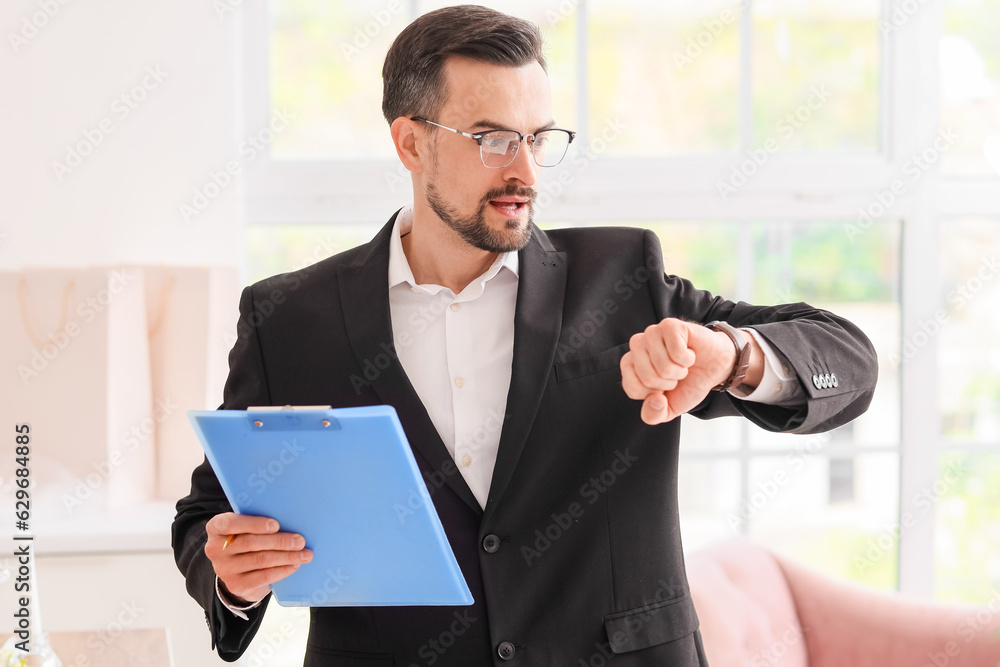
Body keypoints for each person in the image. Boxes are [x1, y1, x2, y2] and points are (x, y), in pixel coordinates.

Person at [172, 5, 877, 665]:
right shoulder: (291, 316)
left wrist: (731, 355)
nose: (526, 170)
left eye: (539, 137)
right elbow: (210, 512)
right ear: (410, 143)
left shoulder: (623, 276)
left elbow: (849, 360)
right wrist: (233, 575)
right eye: (493, 139)